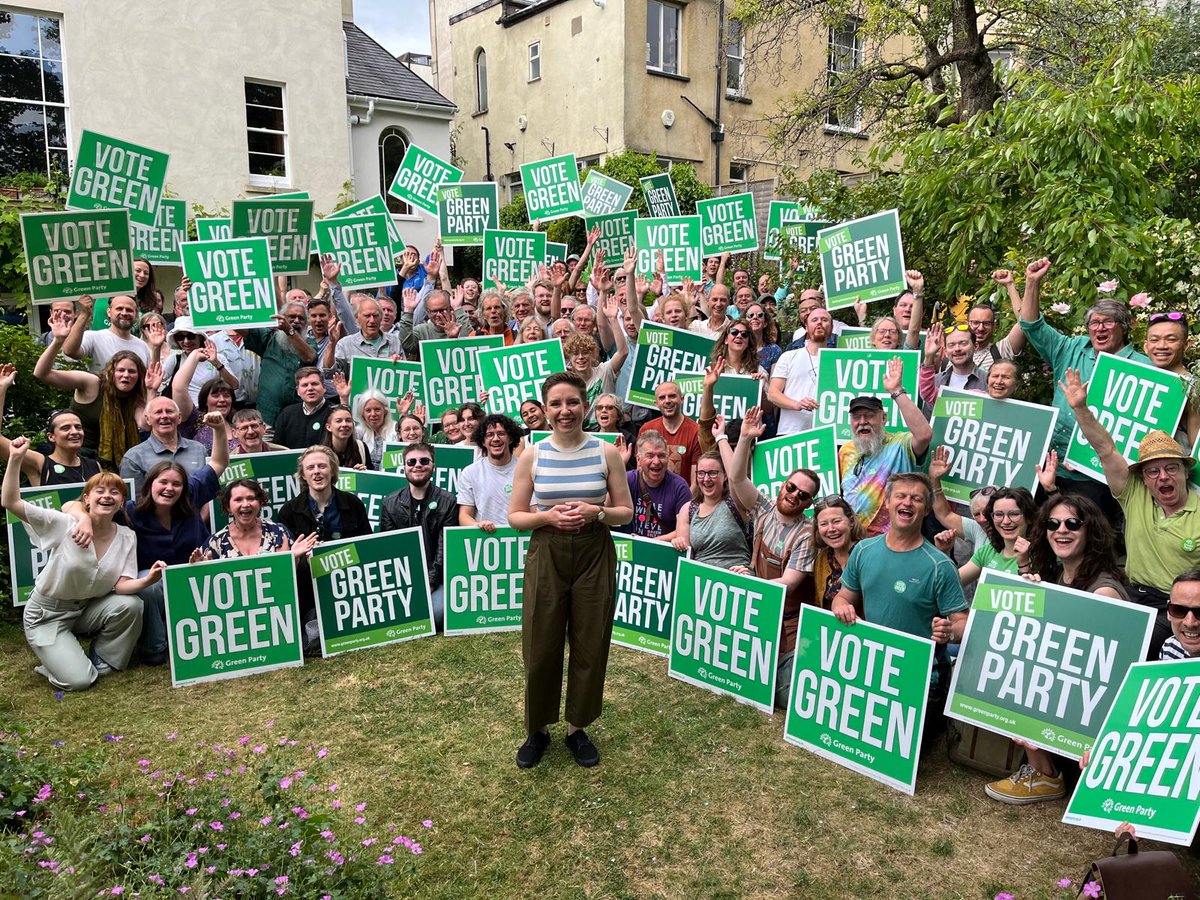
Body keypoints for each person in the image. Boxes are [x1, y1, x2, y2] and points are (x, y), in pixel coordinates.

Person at [507, 371, 634, 770]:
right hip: (547, 552)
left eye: (573, 402)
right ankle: (538, 729)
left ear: (586, 406)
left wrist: (597, 512)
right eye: (557, 404)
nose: (565, 411)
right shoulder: (533, 454)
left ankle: (577, 727)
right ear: (545, 410)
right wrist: (546, 518)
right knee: (540, 643)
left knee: (590, 642)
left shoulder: (606, 452)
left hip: (595, 552)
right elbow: (514, 517)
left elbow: (625, 511)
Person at [984, 493, 1128, 804]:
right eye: (1053, 523)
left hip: (1087, 711)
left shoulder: (1103, 592)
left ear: (1091, 531)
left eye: (1072, 523)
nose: (1061, 530)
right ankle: (1041, 767)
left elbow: (1094, 668)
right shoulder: (1058, 576)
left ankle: (1046, 776)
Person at [1061, 367, 1199, 657]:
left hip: (1175, 607)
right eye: (1153, 471)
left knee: (1129, 649)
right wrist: (1080, 409)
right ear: (1144, 478)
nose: (1163, 477)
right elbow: (1106, 449)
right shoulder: (1135, 494)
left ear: (1185, 472)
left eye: (1171, 468)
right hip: (1131, 593)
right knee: (1081, 635)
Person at [4, 438, 162, 690]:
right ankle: (55, 664)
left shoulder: (126, 536)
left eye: (115, 492)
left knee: (130, 605)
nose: (107, 496)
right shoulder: (65, 524)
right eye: (100, 491)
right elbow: (11, 502)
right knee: (80, 681)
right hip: (47, 614)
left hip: (87, 609)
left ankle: (102, 655)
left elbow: (122, 586)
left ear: (122, 502)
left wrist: (148, 580)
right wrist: (14, 459)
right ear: (87, 499)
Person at [832, 472, 968, 753]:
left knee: (899, 747)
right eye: (901, 496)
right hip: (871, 667)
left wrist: (949, 631)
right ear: (888, 501)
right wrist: (841, 605)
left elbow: (962, 624)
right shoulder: (863, 550)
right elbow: (843, 596)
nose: (907, 503)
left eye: (916, 499)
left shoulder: (939, 566)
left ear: (927, 508)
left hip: (920, 676)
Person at [1017, 257, 1149, 517]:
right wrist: (1032, 282)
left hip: (1098, 477)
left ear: (1123, 327)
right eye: (1094, 323)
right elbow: (1032, 326)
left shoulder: (1143, 366)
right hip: (1054, 466)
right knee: (1049, 532)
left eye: (1108, 322)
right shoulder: (1071, 348)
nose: (1099, 328)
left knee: (1089, 541)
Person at [722, 409, 819, 709]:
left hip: (789, 624)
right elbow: (736, 477)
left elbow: (789, 584)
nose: (794, 496)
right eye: (791, 488)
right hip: (757, 613)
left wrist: (751, 580)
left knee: (783, 697)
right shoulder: (763, 509)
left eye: (803, 495)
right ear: (782, 485)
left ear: (809, 503)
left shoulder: (807, 534)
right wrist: (745, 439)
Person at [34, 311, 158, 471]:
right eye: (121, 370)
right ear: (111, 372)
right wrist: (58, 340)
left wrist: (151, 390)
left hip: (116, 462)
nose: (126, 375)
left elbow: (146, 424)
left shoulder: (135, 396)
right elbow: (41, 373)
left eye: (132, 372)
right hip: (78, 459)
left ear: (138, 375)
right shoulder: (92, 382)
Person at [279, 445, 373, 648]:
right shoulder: (288, 511)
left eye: (322, 466)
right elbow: (284, 565)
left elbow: (367, 546)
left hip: (348, 582)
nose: (317, 472)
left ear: (332, 470)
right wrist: (302, 557)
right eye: (310, 467)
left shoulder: (353, 503)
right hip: (307, 587)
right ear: (303, 475)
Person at [837, 358, 932, 535]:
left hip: (892, 539)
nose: (862, 422)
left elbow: (924, 434)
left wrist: (897, 391)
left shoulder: (900, 445)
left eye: (869, 416)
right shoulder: (845, 450)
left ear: (884, 418)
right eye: (856, 417)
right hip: (853, 538)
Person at [380, 442, 458, 629]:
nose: (418, 465)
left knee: (436, 614)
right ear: (404, 467)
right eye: (411, 461)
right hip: (404, 578)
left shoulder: (448, 501)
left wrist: (430, 583)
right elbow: (389, 548)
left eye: (424, 460)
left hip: (437, 578)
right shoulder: (389, 503)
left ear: (433, 466)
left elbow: (444, 549)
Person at [0, 368, 101, 486]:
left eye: (78, 427)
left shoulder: (95, 466)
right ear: (51, 436)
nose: (74, 432)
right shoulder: (40, 463)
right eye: (65, 428)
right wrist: (2, 388)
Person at [241, 297, 319, 428]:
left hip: (297, 419)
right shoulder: (269, 337)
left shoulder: (309, 342)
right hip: (267, 418)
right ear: (281, 318)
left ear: (306, 323)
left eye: (301, 318)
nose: (296, 321)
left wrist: (289, 331)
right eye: (292, 317)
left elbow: (309, 357)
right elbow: (239, 327)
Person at [196, 478, 318, 560]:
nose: (245, 504)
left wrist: (293, 558)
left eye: (251, 498)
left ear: (260, 502)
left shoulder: (278, 533)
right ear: (228, 507)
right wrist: (201, 568)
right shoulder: (216, 542)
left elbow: (287, 579)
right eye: (238, 500)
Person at [673, 450, 752, 568]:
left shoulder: (736, 503)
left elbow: (736, 477)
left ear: (725, 475)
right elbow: (686, 558)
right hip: (702, 580)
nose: (706, 479)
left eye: (712, 473)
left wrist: (721, 438)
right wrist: (678, 544)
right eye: (701, 473)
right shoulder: (688, 509)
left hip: (738, 577)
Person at [945, 488, 1038, 586]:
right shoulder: (987, 551)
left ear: (1029, 518)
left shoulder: (1042, 555)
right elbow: (949, 585)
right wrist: (945, 553)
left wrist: (1024, 566)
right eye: (999, 514)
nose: (1006, 521)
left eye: (1014, 514)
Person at [119, 397, 208, 495]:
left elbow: (207, 491)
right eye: (158, 412)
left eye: (169, 411)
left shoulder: (199, 450)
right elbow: (135, 502)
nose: (164, 416)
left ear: (179, 418)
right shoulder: (134, 457)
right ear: (148, 420)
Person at [770, 306, 831, 435]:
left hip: (827, 432)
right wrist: (796, 404)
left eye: (824, 319)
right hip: (791, 430)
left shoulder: (838, 361)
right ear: (807, 328)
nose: (819, 322)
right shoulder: (788, 356)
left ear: (831, 328)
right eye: (814, 320)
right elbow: (773, 393)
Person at [1142, 310, 1200, 446]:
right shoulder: (1138, 379)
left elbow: (1196, 444)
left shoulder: (1193, 388)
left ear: (1186, 345)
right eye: (1154, 340)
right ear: (1146, 346)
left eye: (1171, 339)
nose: (1161, 346)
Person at [622, 431, 692, 540]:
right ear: (638, 459)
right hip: (634, 550)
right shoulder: (629, 480)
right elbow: (607, 509)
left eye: (661, 456)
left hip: (664, 551)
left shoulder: (680, 487)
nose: (656, 461)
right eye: (650, 456)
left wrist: (649, 543)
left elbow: (685, 530)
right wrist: (619, 465)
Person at [458, 415, 523, 531]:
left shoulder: (525, 468)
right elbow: (464, 515)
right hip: (486, 540)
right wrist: (477, 525)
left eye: (501, 433)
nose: (496, 439)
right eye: (490, 435)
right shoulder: (470, 472)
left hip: (521, 539)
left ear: (511, 438)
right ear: (483, 441)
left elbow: (534, 509)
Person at [62, 294, 149, 373]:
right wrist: (84, 314)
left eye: (129, 310)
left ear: (136, 315)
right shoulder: (93, 337)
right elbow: (69, 351)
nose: (124, 313)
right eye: (119, 308)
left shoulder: (143, 346)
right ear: (109, 312)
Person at [638, 381, 702, 485]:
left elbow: (696, 480)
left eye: (672, 396)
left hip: (684, 498)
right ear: (656, 403)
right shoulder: (646, 429)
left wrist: (687, 501)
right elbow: (640, 469)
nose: (667, 401)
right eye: (662, 398)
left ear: (682, 399)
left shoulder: (696, 431)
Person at [811, 496, 866, 609]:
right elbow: (818, 603)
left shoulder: (867, 554)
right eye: (824, 524)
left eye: (836, 521)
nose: (831, 529)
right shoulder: (822, 559)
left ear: (851, 522)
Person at [969, 269, 1027, 372]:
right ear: (967, 324)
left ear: (993, 326)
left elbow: (1025, 323)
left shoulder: (1001, 351)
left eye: (986, 323)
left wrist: (1010, 285)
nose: (981, 328)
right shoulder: (954, 353)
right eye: (976, 323)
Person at [333, 296, 405, 376]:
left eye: (375, 316)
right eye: (367, 316)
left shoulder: (394, 341)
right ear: (357, 318)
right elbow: (330, 374)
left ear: (381, 317)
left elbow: (405, 374)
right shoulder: (345, 344)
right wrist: (331, 344)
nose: (372, 321)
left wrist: (400, 364)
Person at [917, 325, 985, 408]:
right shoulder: (935, 381)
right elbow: (927, 394)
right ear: (945, 352)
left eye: (963, 343)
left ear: (975, 346)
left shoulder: (989, 382)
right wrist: (929, 356)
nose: (957, 349)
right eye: (951, 345)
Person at [272, 367, 333, 449]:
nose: (310, 388)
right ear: (298, 391)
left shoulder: (334, 412)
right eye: (305, 385)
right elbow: (278, 447)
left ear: (324, 388)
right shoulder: (287, 413)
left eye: (314, 384)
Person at [351, 389, 396, 468]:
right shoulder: (358, 432)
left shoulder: (395, 430)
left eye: (377, 409)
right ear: (362, 414)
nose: (373, 414)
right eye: (368, 410)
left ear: (385, 411)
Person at [320, 404, 373, 470]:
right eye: (338, 421)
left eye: (348, 420)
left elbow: (372, 477)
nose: (344, 424)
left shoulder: (361, 447)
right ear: (328, 427)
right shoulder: (320, 453)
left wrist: (363, 473)